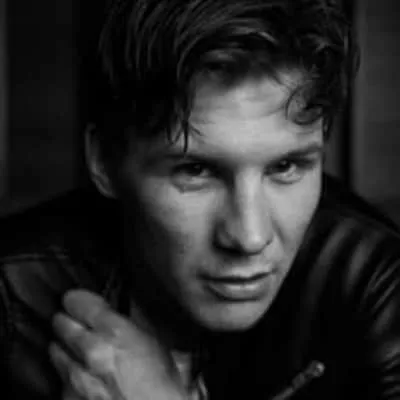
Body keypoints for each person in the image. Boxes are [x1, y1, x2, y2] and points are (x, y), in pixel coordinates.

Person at [1, 0, 400, 399]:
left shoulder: (370, 280)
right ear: (104, 161)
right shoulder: (12, 299)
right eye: (195, 171)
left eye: (285, 166)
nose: (250, 237)